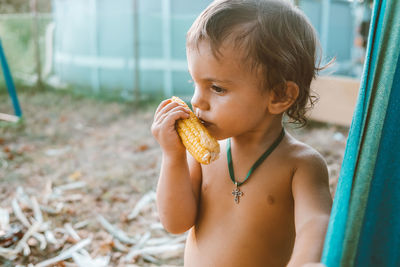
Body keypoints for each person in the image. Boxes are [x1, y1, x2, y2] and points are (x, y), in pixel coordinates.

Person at [151, 0, 332, 266]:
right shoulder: (203, 159)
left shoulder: (301, 165)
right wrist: (173, 157)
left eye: (217, 88)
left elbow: (315, 223)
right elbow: (176, 223)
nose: (197, 101)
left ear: (279, 95)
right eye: (195, 83)